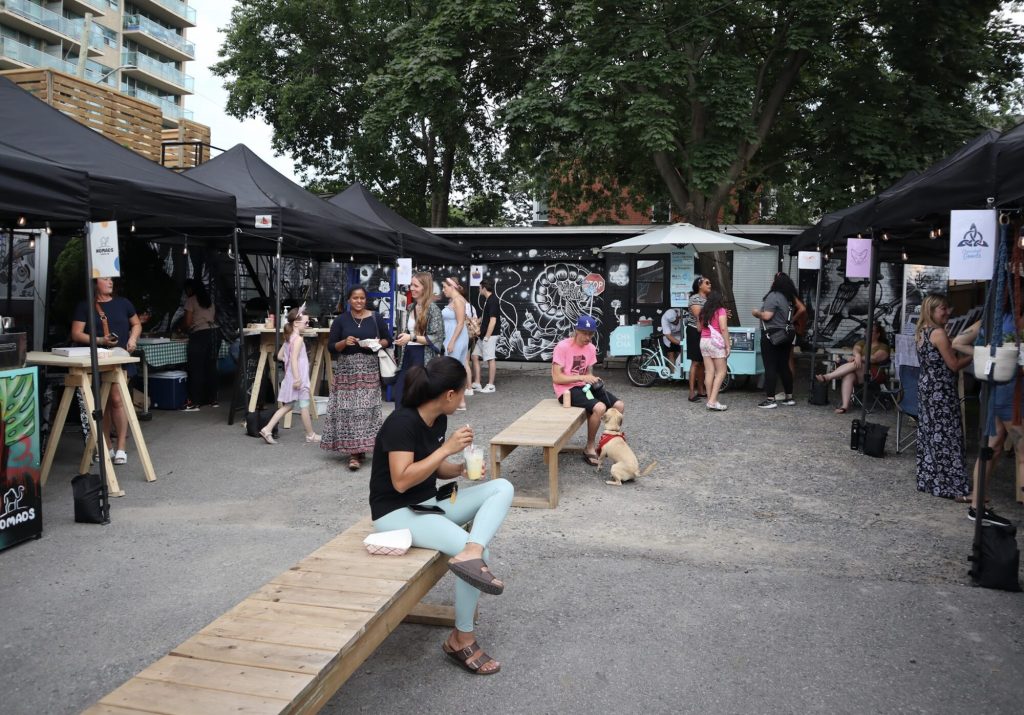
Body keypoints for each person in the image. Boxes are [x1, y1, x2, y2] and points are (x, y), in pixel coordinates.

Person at [370, 356, 513, 675]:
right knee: (478, 554)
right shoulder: (402, 423)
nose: (464, 398)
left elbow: (437, 468)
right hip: (397, 513)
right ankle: (461, 639)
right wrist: (446, 449)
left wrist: (462, 469)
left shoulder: (439, 420)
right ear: (449, 394)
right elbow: (402, 479)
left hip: (431, 501)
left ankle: (471, 552)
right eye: (461, 392)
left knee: (501, 487)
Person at [951, 316, 1016, 527]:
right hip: (1009, 391)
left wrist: (986, 355)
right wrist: (996, 356)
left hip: (994, 389)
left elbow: (958, 342)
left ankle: (977, 504)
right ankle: (978, 504)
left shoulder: (991, 317)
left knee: (993, 446)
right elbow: (957, 343)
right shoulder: (1005, 318)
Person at [70, 276, 141, 466]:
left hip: (120, 358)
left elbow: (136, 323)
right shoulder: (85, 305)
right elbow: (76, 333)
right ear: (95, 283)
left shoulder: (124, 303)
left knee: (116, 399)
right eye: (105, 279)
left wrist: (133, 339)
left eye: (111, 279)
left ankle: (121, 446)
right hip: (97, 359)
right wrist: (100, 340)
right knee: (102, 402)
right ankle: (106, 445)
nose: (110, 282)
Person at [321, 286, 391, 470]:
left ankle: (361, 450)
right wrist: (344, 342)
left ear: (365, 299)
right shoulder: (340, 320)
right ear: (349, 300)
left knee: (366, 411)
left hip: (369, 370)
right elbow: (330, 346)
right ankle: (354, 453)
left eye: (362, 298)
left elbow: (388, 340)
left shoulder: (375, 317)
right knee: (349, 412)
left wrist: (376, 344)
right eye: (355, 298)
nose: (359, 301)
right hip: (347, 372)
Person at [914, 294, 972, 499]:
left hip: (927, 387)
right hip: (941, 390)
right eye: (943, 309)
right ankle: (953, 486)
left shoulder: (922, 331)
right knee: (948, 435)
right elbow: (954, 365)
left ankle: (932, 481)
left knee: (930, 435)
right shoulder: (938, 333)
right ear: (932, 311)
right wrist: (975, 354)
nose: (948, 312)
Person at [551, 315, 625, 466]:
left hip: (584, 386)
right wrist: (582, 377)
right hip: (566, 389)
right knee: (600, 407)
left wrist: (593, 378)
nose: (588, 337)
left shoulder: (591, 348)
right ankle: (589, 446)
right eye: (584, 333)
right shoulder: (562, 347)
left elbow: (588, 372)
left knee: (619, 405)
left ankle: (610, 440)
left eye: (591, 333)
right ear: (576, 331)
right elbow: (557, 378)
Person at [257, 306, 321, 445]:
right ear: (296, 323)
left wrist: (292, 368)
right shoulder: (298, 339)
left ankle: (267, 429)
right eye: (306, 322)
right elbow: (292, 359)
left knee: (288, 406)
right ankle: (310, 435)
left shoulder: (289, 339)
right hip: (299, 378)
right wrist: (297, 376)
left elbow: (280, 356)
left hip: (291, 377)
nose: (307, 324)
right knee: (304, 405)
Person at [393, 272, 445, 407]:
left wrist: (411, 337)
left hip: (423, 356)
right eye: (411, 285)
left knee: (418, 395)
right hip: (407, 354)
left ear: (425, 287)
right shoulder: (411, 307)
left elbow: (436, 337)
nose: (411, 288)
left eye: (416, 285)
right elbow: (408, 331)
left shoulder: (433, 310)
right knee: (400, 393)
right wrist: (401, 338)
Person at [815, 323, 890, 414]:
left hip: (874, 374)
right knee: (849, 375)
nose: (867, 333)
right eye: (866, 331)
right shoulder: (862, 342)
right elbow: (855, 349)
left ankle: (828, 377)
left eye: (871, 331)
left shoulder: (883, 346)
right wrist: (857, 355)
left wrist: (858, 358)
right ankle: (845, 406)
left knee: (856, 363)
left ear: (878, 334)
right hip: (859, 373)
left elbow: (874, 358)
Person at [752, 272, 801, 409]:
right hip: (787, 334)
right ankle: (789, 397)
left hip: (772, 335)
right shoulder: (789, 298)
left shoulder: (773, 296)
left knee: (770, 366)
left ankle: (770, 399)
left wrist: (756, 313)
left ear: (776, 282)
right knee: (784, 365)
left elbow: (767, 316)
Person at [180, 279, 220, 412]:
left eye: (187, 290)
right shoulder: (209, 300)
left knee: (196, 367)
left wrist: (183, 329)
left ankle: (195, 402)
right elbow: (212, 317)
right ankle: (213, 399)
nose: (186, 293)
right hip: (215, 333)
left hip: (200, 335)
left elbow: (188, 322)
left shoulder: (191, 301)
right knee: (211, 366)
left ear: (190, 289)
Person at [699, 290, 730, 411]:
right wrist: (727, 345)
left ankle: (710, 400)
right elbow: (723, 328)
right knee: (722, 372)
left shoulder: (703, 312)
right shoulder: (721, 311)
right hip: (715, 343)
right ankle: (712, 401)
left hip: (704, 341)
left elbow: (699, 328)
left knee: (709, 372)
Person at [442, 276, 469, 410]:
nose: (443, 290)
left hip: (455, 337)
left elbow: (460, 322)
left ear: (452, 287)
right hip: (454, 336)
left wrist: (452, 341)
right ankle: (459, 401)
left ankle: (460, 401)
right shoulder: (456, 300)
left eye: (445, 287)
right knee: (456, 368)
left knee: (453, 369)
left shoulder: (458, 301)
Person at [471, 278, 500, 393]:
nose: (479, 289)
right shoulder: (488, 300)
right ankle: (477, 383)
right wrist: (477, 321)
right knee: (474, 356)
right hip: (483, 336)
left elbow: (493, 320)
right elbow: (486, 316)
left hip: (490, 335)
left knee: (490, 358)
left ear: (484, 287)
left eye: (479, 287)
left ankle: (491, 385)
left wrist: (487, 336)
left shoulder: (493, 300)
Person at [687, 275, 710, 402]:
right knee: (695, 362)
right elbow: (698, 314)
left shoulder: (708, 299)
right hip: (694, 331)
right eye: (707, 283)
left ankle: (701, 390)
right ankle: (691, 393)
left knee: (702, 362)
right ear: (699, 285)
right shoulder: (694, 298)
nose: (709, 284)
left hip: (705, 331)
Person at [660, 305, 684, 375]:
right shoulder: (664, 319)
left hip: (681, 335)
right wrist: (681, 343)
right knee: (671, 353)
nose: (675, 323)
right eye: (672, 322)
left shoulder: (682, 313)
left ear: (678, 316)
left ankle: (681, 372)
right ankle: (674, 374)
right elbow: (668, 336)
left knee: (682, 353)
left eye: (676, 321)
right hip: (670, 336)